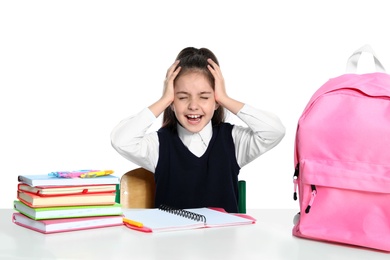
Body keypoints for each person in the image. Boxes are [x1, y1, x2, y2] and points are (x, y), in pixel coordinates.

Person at [111, 47, 285, 213]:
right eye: (182, 97)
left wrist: (225, 98)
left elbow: (274, 131)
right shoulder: (158, 145)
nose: (193, 106)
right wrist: (163, 100)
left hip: (224, 241)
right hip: (171, 242)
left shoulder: (233, 140)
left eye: (204, 97)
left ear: (216, 100)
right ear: (172, 101)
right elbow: (121, 141)